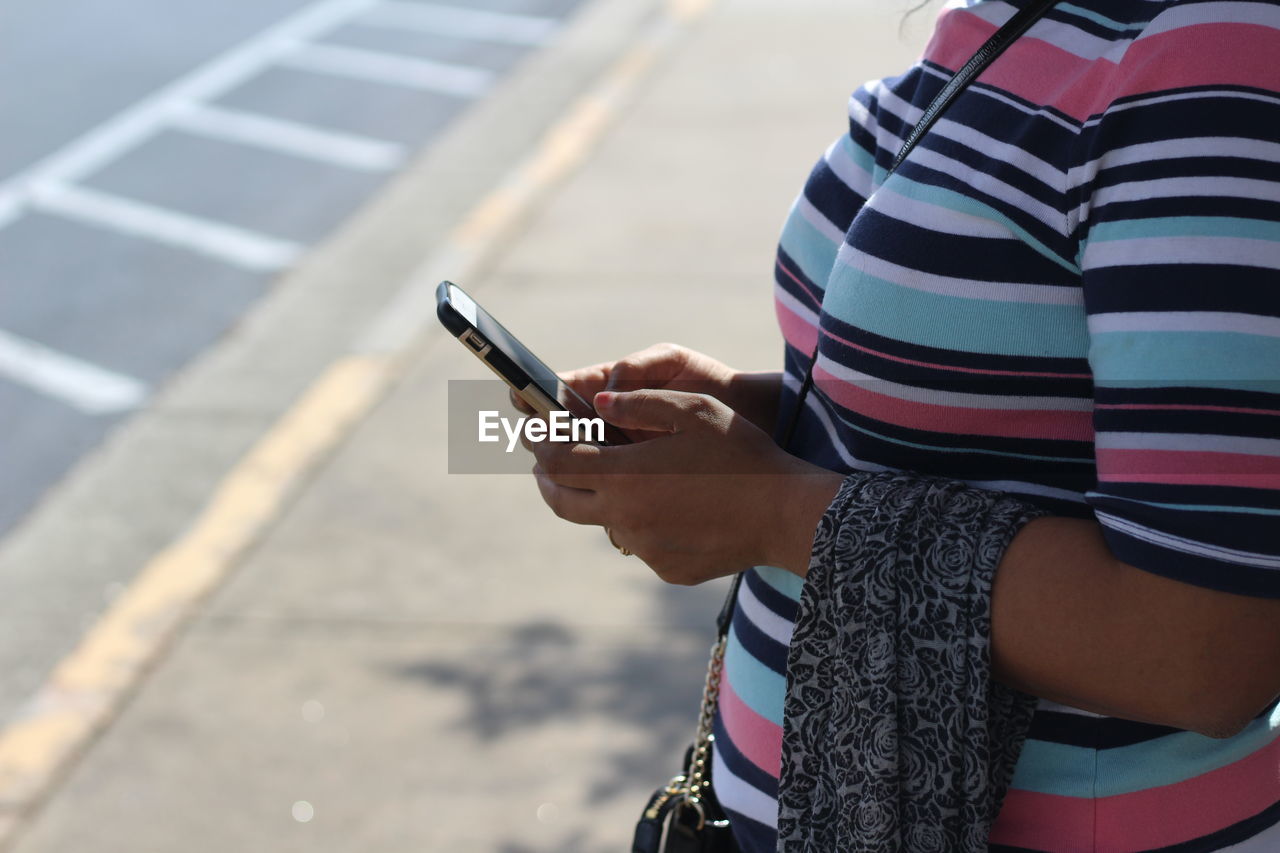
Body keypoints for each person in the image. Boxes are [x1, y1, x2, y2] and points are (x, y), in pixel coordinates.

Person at [522, 0, 1280, 848]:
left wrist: (770, 511)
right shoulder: (1013, 18)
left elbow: (1207, 645)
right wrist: (756, 416)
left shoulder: (1220, 61)